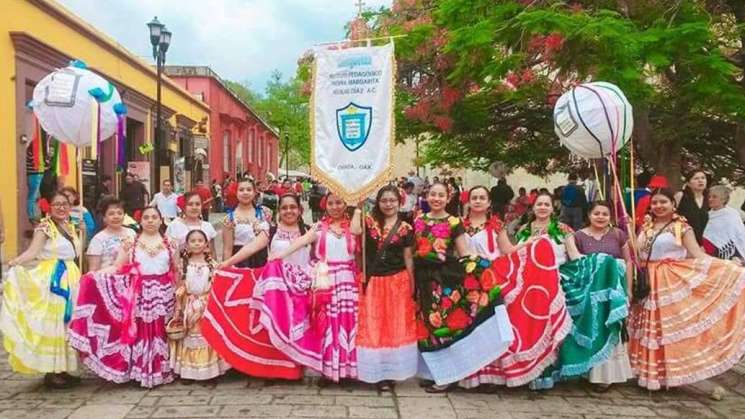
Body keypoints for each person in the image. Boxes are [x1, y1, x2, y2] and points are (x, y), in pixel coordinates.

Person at [629, 188, 745, 392]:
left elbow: (698, 255)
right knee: (651, 329)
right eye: (655, 202)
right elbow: (638, 255)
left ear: (673, 204)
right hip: (648, 281)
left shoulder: (681, 227)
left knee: (669, 331)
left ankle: (675, 373)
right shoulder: (646, 226)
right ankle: (651, 374)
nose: (658, 206)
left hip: (670, 282)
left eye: (663, 202)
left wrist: (727, 267)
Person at [414, 182, 512, 392]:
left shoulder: (454, 221)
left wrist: (481, 268)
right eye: (433, 194)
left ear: (448, 198)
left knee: (443, 325)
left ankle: (447, 376)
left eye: (441, 195)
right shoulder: (418, 220)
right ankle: (432, 372)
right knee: (426, 327)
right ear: (427, 196)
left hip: (443, 278)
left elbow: (463, 251)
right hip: (421, 279)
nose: (437, 198)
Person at [69, 206, 179, 388]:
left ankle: (162, 369)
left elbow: (176, 270)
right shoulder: (131, 243)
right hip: (139, 294)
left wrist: (180, 293)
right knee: (141, 331)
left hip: (164, 294)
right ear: (140, 221)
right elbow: (118, 267)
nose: (150, 221)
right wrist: (94, 276)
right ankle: (140, 370)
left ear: (161, 221)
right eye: (146, 217)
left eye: (154, 217)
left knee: (161, 330)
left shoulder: (170, 243)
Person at [531, 200, 633, 391]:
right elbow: (574, 261)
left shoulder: (617, 234)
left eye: (604, 214)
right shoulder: (577, 235)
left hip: (609, 288)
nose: (600, 217)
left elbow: (627, 261)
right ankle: (577, 372)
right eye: (596, 213)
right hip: (577, 290)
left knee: (605, 325)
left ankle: (605, 375)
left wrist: (626, 285)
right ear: (589, 215)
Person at [202, 190, 302, 381]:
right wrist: (226, 264)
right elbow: (250, 248)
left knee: (295, 329)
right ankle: (276, 369)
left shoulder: (308, 231)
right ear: (279, 211)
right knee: (273, 328)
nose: (289, 211)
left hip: (300, 287)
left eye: (293, 207)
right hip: (276, 287)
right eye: (285, 208)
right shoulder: (270, 231)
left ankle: (295, 367)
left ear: (300, 210)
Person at [266, 193, 360, 383]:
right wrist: (279, 255)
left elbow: (358, 231)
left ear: (345, 204)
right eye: (331, 203)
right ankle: (328, 371)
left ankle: (348, 370)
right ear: (325, 206)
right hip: (325, 280)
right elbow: (300, 242)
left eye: (339, 202)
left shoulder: (352, 227)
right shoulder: (319, 228)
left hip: (348, 281)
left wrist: (357, 208)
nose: (335, 207)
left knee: (348, 323)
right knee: (327, 325)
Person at [1, 192, 81, 388]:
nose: (61, 208)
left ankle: (63, 368)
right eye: (57, 204)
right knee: (54, 321)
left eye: (65, 204)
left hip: (71, 276)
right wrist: (15, 262)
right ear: (49, 207)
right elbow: (33, 252)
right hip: (54, 278)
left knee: (68, 322)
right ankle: (51, 371)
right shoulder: (45, 227)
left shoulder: (70, 226)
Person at [347, 186, 417, 390]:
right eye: (384, 200)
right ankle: (374, 371)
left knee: (395, 325)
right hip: (373, 280)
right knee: (373, 325)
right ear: (378, 202)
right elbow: (354, 231)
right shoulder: (368, 222)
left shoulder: (406, 228)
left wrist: (412, 283)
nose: (388, 204)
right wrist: (358, 209)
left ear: (399, 202)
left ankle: (392, 372)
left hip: (398, 281)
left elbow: (408, 258)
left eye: (392, 200)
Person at [169, 230, 229, 381]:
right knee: (190, 336)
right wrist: (181, 299)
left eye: (200, 240)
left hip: (206, 305)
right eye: (193, 241)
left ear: (206, 244)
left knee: (207, 336)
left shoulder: (212, 265)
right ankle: (190, 372)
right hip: (189, 305)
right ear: (187, 245)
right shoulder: (183, 265)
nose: (196, 243)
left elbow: (216, 286)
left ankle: (209, 371)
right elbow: (179, 284)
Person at [221, 179, 272, 268]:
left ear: (254, 192)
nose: (245, 193)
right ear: (236, 193)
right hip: (240, 262)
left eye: (249, 190)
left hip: (262, 261)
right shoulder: (229, 218)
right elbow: (227, 249)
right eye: (241, 190)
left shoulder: (265, 213)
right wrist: (226, 269)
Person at [86, 198, 136, 273]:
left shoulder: (131, 233)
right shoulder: (98, 239)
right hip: (107, 281)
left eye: (119, 213)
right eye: (111, 214)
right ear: (104, 218)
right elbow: (93, 271)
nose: (116, 216)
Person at [703, 185, 745, 264]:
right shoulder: (707, 214)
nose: (710, 199)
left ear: (723, 199)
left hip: (729, 253)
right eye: (709, 197)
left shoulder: (731, 214)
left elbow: (739, 235)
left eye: (714, 197)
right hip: (707, 252)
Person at [674, 169, 709, 244]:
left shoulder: (709, 198)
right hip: (682, 239)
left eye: (703, 178)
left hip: (703, 241)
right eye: (696, 178)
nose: (700, 181)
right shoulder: (681, 195)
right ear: (688, 183)